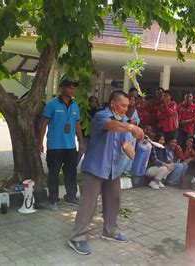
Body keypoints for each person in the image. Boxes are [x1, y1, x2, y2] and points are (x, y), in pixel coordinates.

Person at [69, 90, 144, 255]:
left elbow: (125, 145)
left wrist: (139, 160)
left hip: (113, 170)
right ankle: (77, 238)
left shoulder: (123, 120)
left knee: (114, 200)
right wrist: (130, 126)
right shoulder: (101, 116)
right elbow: (111, 127)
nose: (126, 108)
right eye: (123, 105)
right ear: (112, 104)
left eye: (127, 105)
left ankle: (110, 230)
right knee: (89, 204)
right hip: (96, 168)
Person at [38, 80, 84, 210]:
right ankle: (53, 200)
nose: (72, 90)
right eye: (69, 87)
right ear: (61, 88)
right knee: (53, 173)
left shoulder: (75, 106)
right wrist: (40, 142)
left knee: (71, 173)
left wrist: (80, 142)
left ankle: (71, 196)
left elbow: (77, 125)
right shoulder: (52, 105)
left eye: (73, 88)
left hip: (70, 146)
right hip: (55, 146)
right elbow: (43, 124)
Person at [120, 94, 141, 172]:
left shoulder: (135, 110)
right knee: (124, 152)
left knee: (132, 150)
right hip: (124, 132)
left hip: (133, 133)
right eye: (130, 100)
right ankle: (121, 170)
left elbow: (138, 120)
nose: (132, 102)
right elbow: (120, 120)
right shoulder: (123, 109)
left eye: (133, 100)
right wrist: (128, 121)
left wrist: (135, 121)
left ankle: (127, 170)